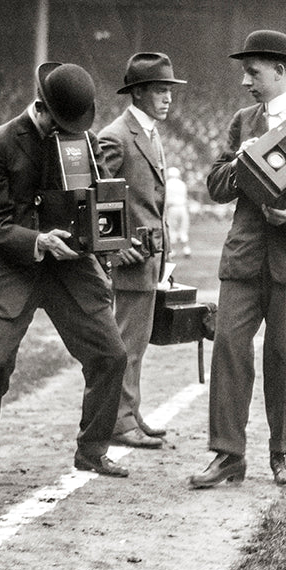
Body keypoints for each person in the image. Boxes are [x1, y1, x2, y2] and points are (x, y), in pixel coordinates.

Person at [189, 30, 286, 488]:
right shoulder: (243, 120)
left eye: (252, 72)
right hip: (244, 258)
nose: (245, 81)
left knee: (285, 356)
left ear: (280, 71)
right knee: (230, 349)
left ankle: (281, 453)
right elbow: (215, 185)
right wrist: (239, 165)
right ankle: (228, 455)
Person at [0, 62, 129, 488]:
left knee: (110, 355)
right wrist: (37, 241)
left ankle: (92, 451)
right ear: (40, 108)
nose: (70, 132)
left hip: (70, 268)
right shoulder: (0, 143)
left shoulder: (85, 140)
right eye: (59, 123)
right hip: (17, 265)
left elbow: (95, 204)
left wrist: (104, 233)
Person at [98, 52, 188, 449]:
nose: (168, 98)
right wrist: (116, 250)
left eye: (169, 91)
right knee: (126, 344)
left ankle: (130, 412)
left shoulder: (149, 133)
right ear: (137, 93)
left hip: (151, 257)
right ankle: (118, 422)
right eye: (159, 91)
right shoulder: (116, 136)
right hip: (131, 258)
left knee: (138, 342)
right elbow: (99, 203)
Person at [164, 167, 191, 258]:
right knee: (183, 228)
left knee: (172, 229)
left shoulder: (167, 184)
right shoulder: (182, 184)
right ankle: (186, 249)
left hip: (172, 208)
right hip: (182, 207)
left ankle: (173, 251)